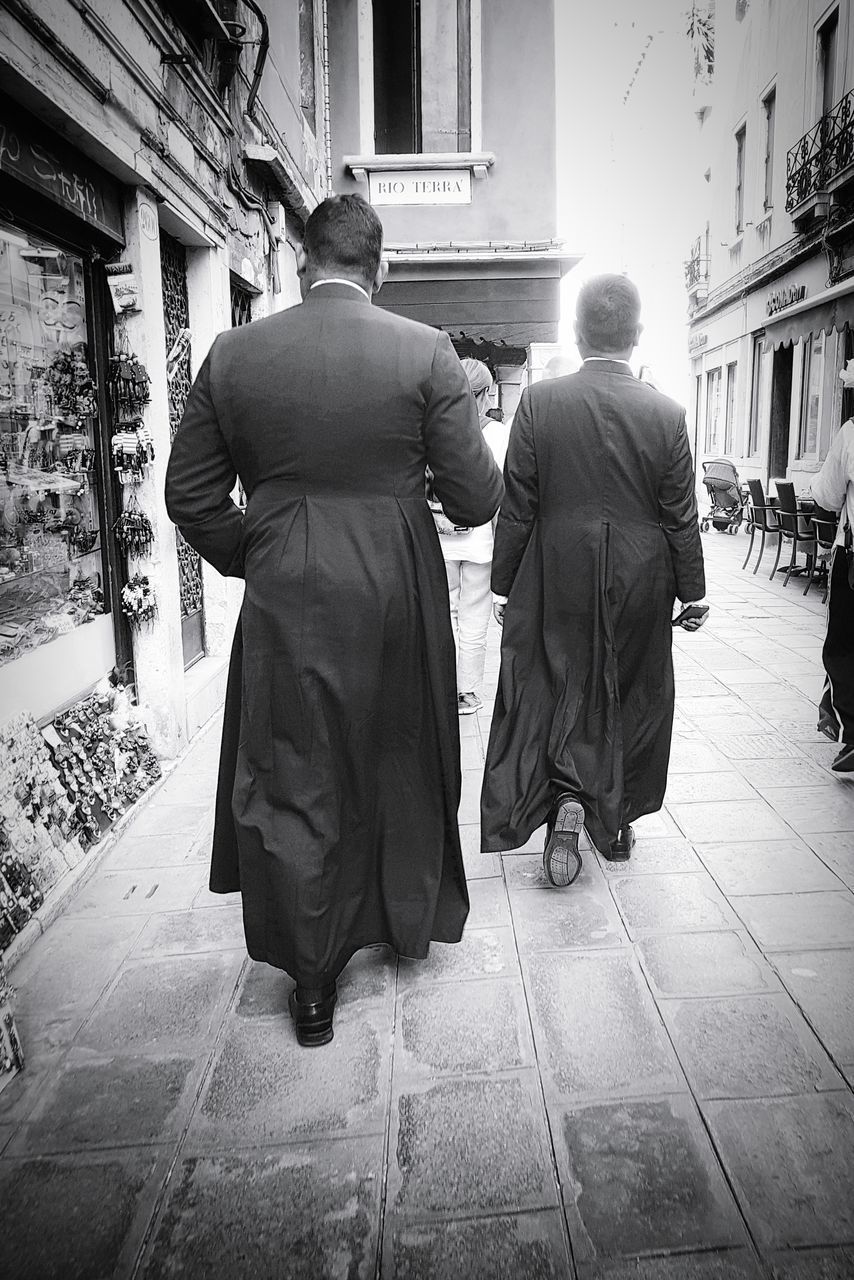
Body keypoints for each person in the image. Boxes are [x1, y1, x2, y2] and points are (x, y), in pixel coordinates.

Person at [165, 194, 503, 1046]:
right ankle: (399, 918)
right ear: (377, 268)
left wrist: (261, 549)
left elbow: (190, 495)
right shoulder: (427, 353)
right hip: (396, 585)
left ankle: (313, 982)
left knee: (296, 768)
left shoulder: (235, 353)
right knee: (395, 754)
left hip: (288, 587)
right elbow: (475, 494)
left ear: (300, 262)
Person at [480, 273, 707, 885]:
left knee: (556, 685)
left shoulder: (539, 403)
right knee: (629, 690)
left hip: (557, 566)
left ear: (578, 335)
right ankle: (618, 816)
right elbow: (680, 512)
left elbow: (518, 503)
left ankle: (563, 804)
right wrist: (695, 589)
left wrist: (503, 583)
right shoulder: (666, 413)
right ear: (636, 336)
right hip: (640, 574)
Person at [432, 358, 510, 715]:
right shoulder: (497, 434)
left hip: (438, 535)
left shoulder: (433, 429)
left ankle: (443, 686)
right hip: (480, 540)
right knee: (474, 614)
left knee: (444, 612)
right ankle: (468, 692)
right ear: (482, 394)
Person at [810, 369, 854, 773]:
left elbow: (825, 495)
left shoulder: (852, 432)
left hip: (853, 557)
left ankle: (853, 731)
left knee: (843, 644)